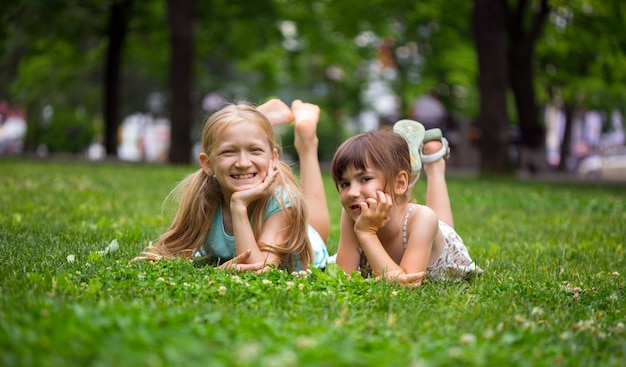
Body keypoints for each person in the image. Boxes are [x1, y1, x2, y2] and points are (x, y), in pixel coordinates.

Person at [138, 99, 329, 272]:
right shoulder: (203, 194)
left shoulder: (282, 200)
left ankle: (307, 141)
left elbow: (260, 271)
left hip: (308, 241)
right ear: (207, 164)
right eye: (229, 152)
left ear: (273, 158)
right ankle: (253, 122)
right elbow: (173, 251)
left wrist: (238, 206)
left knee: (316, 227)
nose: (243, 163)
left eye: (255, 150)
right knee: (240, 134)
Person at [330, 119, 482, 287]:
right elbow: (342, 278)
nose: (352, 193)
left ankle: (434, 164)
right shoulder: (353, 215)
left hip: (438, 240)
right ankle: (406, 161)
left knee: (442, 224)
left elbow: (407, 286)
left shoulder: (423, 219)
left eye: (365, 179)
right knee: (398, 197)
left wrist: (366, 233)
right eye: (345, 184)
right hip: (401, 198)